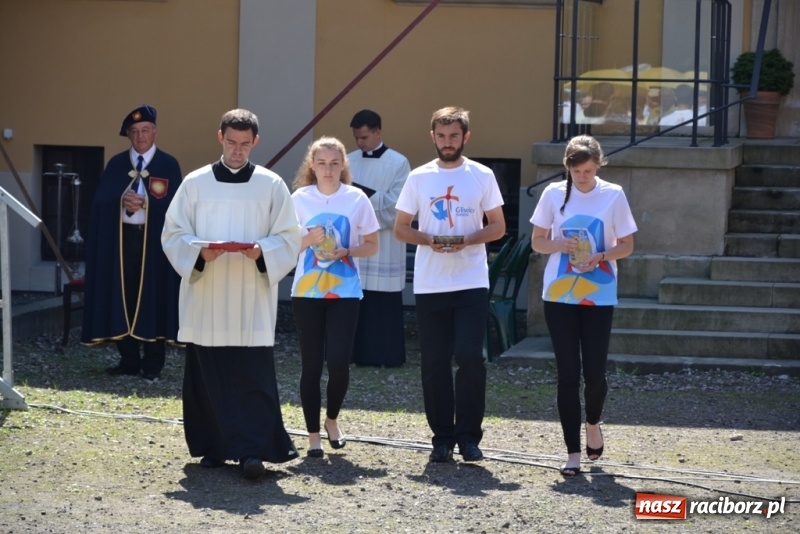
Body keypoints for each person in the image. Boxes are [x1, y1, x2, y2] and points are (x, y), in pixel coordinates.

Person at [161, 109, 302, 479]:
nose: (237, 150)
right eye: (231, 142)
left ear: (255, 142)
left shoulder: (271, 185)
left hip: (250, 297)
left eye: (245, 144)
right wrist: (199, 253)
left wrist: (263, 251)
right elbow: (173, 233)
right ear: (220, 137)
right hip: (207, 293)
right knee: (208, 372)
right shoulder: (195, 183)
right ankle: (213, 447)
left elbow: (290, 236)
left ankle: (252, 452)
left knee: (251, 374)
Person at [394, 106, 506, 463]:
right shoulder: (418, 177)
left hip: (471, 280)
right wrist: (428, 239)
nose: (447, 142)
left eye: (454, 136)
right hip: (431, 283)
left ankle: (469, 436)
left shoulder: (482, 175)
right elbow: (401, 228)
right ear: (432, 137)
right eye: (441, 136)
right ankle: (441, 438)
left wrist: (469, 239)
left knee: (471, 357)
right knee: (434, 363)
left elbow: (498, 226)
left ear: (465, 137)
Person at [529, 135, 637, 477]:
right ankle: (572, 452)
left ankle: (592, 422)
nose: (582, 177)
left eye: (588, 171)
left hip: (599, 292)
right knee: (567, 374)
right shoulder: (552, 194)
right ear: (567, 168)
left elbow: (627, 245)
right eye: (576, 171)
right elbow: (537, 242)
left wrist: (601, 255)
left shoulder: (613, 194)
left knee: (594, 373)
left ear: (598, 165)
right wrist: (559, 244)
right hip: (559, 293)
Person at [290, 136, 379, 458]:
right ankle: (313, 435)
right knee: (311, 365)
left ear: (343, 165)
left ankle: (332, 420)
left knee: (340, 363)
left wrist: (347, 250)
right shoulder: (299, 198)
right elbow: (285, 245)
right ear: (312, 166)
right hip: (307, 291)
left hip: (345, 291)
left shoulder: (356, 198)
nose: (328, 170)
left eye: (334, 163)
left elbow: (372, 245)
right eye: (322, 163)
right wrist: (307, 239)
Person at [81, 104, 182, 382]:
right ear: (128, 135)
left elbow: (178, 208)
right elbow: (99, 204)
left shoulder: (168, 164)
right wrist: (120, 201)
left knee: (154, 297)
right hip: (121, 243)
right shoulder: (116, 164)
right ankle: (128, 360)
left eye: (145, 130)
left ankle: (153, 364)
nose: (140, 136)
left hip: (155, 247)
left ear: (155, 132)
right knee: (121, 296)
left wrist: (147, 203)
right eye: (135, 131)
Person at [347, 109, 411, 367]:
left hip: (385, 246)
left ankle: (385, 356)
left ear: (378, 132)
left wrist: (361, 195)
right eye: (356, 138)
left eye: (364, 137)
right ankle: (354, 355)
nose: (359, 143)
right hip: (357, 242)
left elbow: (398, 207)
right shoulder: (347, 161)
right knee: (355, 299)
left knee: (382, 304)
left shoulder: (399, 163)